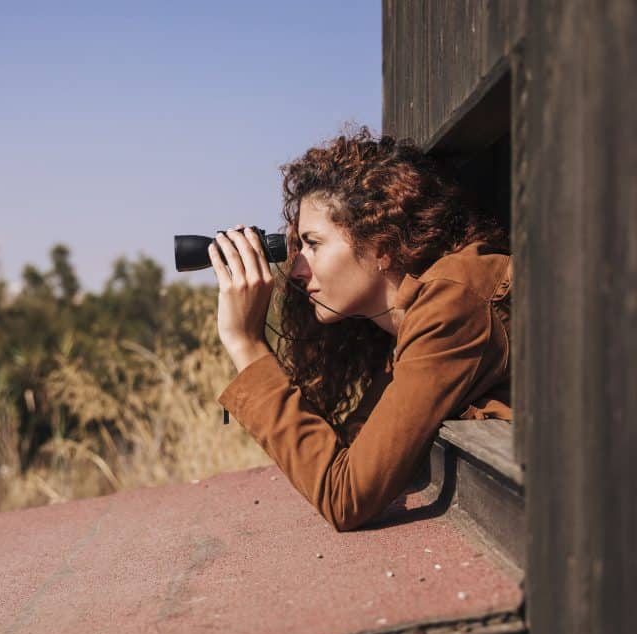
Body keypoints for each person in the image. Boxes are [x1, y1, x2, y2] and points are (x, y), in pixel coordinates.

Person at [209, 127, 511, 532]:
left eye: (313, 244)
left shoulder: (450, 307)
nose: (296, 269)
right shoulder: (411, 322)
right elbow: (354, 452)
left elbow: (345, 496)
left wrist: (246, 344)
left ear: (380, 244)